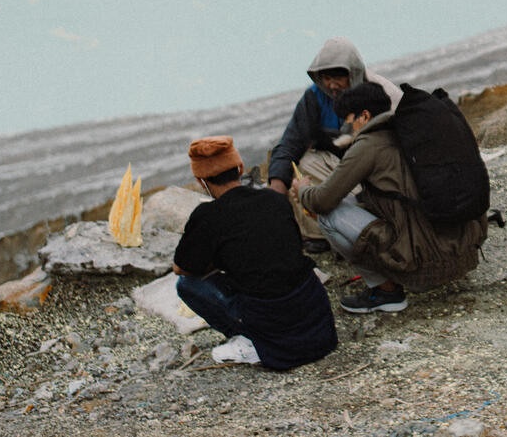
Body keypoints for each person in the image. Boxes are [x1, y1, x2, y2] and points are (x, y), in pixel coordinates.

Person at [295, 80, 487, 313]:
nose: (349, 130)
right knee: (360, 201)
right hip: (464, 253)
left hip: (426, 264)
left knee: (329, 214)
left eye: (349, 121)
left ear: (364, 116)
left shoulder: (369, 145)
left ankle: (386, 292)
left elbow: (322, 200)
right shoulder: (408, 131)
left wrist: (302, 189)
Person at [173, 136, 338, 368]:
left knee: (186, 285)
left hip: (268, 318)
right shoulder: (274, 199)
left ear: (201, 181)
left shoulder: (207, 216)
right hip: (313, 312)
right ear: (240, 168)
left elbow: (182, 268)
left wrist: (217, 259)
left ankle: (248, 340)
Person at [266, 37, 371, 251]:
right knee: (304, 162)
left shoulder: (373, 94)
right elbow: (291, 141)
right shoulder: (315, 97)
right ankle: (319, 235)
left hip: (368, 172)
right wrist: (277, 181)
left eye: (338, 78)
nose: (332, 85)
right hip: (336, 173)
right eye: (326, 78)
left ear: (354, 73)